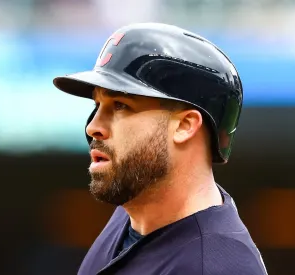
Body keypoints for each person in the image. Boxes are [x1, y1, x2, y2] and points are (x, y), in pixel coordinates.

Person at [53, 22, 268, 275]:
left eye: (121, 105)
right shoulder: (134, 212)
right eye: (98, 104)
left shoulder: (215, 267)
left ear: (185, 126)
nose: (94, 127)